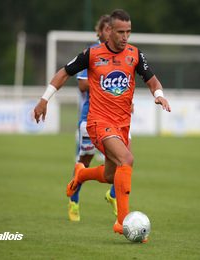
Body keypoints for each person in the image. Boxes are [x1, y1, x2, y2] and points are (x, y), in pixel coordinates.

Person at [34, 9, 171, 237]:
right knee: (127, 159)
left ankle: (81, 175)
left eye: (128, 31)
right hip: (98, 122)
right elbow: (64, 73)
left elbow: (152, 80)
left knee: (110, 175)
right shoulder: (92, 54)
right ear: (109, 32)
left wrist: (159, 95)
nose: (125, 36)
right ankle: (122, 223)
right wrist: (43, 99)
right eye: (120, 32)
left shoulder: (135, 55)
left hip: (122, 125)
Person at [69, 14, 118, 222]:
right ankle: (74, 198)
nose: (110, 33)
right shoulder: (90, 54)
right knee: (85, 162)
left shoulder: (120, 54)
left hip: (115, 118)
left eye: (113, 29)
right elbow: (81, 85)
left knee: (124, 159)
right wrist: (106, 81)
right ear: (100, 31)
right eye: (107, 29)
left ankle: (114, 196)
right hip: (91, 117)